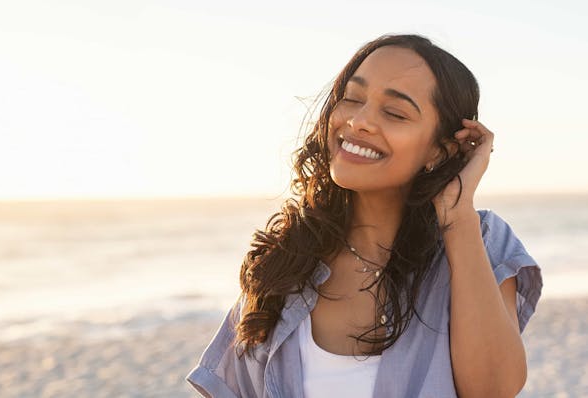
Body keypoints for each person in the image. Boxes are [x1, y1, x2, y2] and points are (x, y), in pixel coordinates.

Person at [185, 34, 542, 398]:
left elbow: (494, 390)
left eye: (394, 113)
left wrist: (457, 216)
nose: (359, 121)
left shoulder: (478, 240)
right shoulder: (283, 264)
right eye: (352, 99)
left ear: (439, 150)